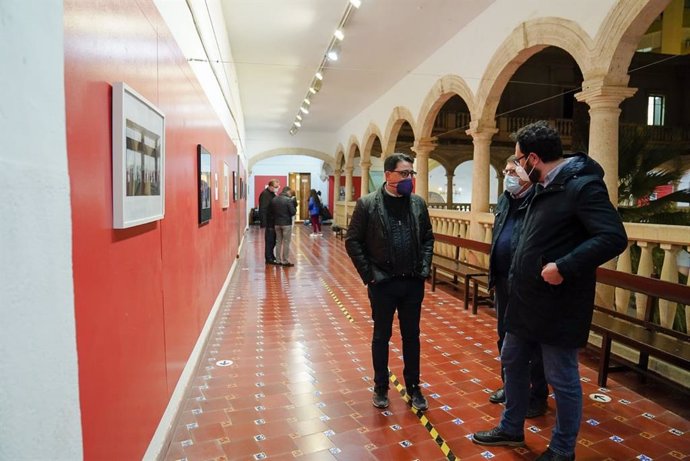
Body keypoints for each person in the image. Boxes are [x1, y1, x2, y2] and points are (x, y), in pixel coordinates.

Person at [472, 121, 628, 461]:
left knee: (562, 376)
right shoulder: (543, 187)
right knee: (512, 360)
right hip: (526, 299)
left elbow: (613, 237)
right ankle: (511, 427)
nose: (516, 167)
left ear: (532, 157)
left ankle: (561, 449)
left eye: (518, 159)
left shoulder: (582, 187)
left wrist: (564, 266)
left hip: (559, 303)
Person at [345, 153, 435, 411]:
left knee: (412, 336)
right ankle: (381, 386)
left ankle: (414, 387)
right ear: (388, 175)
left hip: (412, 284)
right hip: (382, 284)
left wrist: (424, 267)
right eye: (404, 173)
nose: (409, 179)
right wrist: (370, 275)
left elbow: (428, 238)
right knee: (381, 336)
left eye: (411, 174)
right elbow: (353, 241)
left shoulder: (417, 203)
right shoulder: (368, 204)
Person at [488, 156, 548, 418]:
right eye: (506, 170)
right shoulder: (505, 200)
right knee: (505, 336)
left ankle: (536, 395)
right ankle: (510, 387)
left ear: (527, 172)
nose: (507, 174)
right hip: (502, 280)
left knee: (532, 343)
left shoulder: (539, 201)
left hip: (526, 283)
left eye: (513, 170)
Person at [270, 186, 296, 267]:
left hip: (277, 224)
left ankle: (278, 260)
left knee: (278, 242)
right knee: (286, 242)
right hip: (286, 224)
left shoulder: (274, 199)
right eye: (290, 192)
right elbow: (293, 212)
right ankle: (285, 261)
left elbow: (272, 212)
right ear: (288, 192)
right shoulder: (288, 200)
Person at [258, 179, 280, 265]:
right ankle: (269, 258)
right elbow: (262, 209)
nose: (277, 188)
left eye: (278, 186)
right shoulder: (265, 194)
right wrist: (264, 223)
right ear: (270, 186)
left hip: (273, 221)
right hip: (269, 221)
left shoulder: (271, 194)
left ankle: (271, 255)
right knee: (270, 240)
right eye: (276, 187)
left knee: (273, 240)